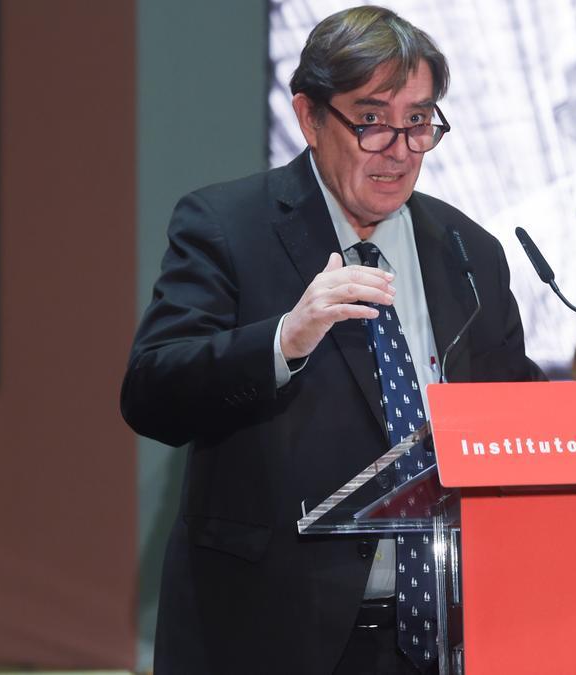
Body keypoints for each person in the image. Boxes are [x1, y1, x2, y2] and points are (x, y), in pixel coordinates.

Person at [120, 6, 543, 674]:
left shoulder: (469, 250)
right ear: (309, 117)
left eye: (419, 121)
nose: (400, 148)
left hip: (443, 633)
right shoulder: (227, 226)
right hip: (274, 634)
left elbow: (517, 413)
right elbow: (152, 392)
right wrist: (285, 338)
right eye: (372, 120)